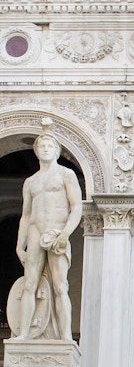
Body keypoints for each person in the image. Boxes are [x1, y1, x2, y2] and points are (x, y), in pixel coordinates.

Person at [15, 125, 82, 340]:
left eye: (49, 145)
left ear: (57, 150)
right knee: (29, 284)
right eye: (42, 146)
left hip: (56, 232)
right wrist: (19, 245)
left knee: (60, 286)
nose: (45, 149)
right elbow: (26, 216)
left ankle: (65, 337)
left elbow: (77, 207)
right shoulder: (31, 182)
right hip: (35, 232)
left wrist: (65, 233)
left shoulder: (66, 174)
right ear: (36, 151)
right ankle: (24, 334)